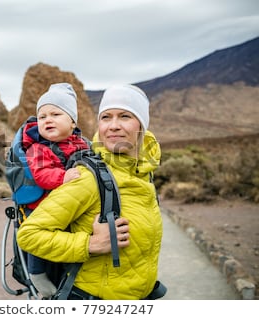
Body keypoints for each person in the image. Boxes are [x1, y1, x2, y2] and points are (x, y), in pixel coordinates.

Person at [17, 84, 163, 299]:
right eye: (105, 117)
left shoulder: (144, 175)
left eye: (124, 116)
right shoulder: (90, 178)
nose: (113, 126)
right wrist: (91, 244)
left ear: (142, 124)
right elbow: (29, 235)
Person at [21, 82, 90, 298]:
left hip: (68, 205)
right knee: (37, 236)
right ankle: (37, 274)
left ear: (72, 122)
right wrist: (64, 177)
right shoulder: (37, 148)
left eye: (55, 114)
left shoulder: (82, 144)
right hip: (41, 205)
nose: (48, 120)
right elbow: (42, 175)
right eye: (42, 117)